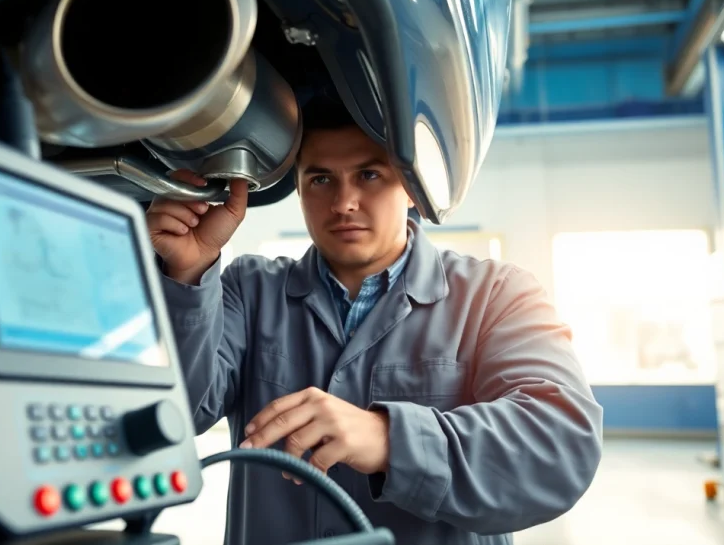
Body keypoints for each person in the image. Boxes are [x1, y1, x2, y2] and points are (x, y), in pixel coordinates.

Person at [145, 99, 603, 545]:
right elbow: (177, 413)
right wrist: (186, 275)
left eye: (369, 174)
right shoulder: (249, 289)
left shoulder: (496, 294)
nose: (344, 203)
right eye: (321, 178)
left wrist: (388, 439)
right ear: (300, 191)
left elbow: (560, 446)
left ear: (409, 186)